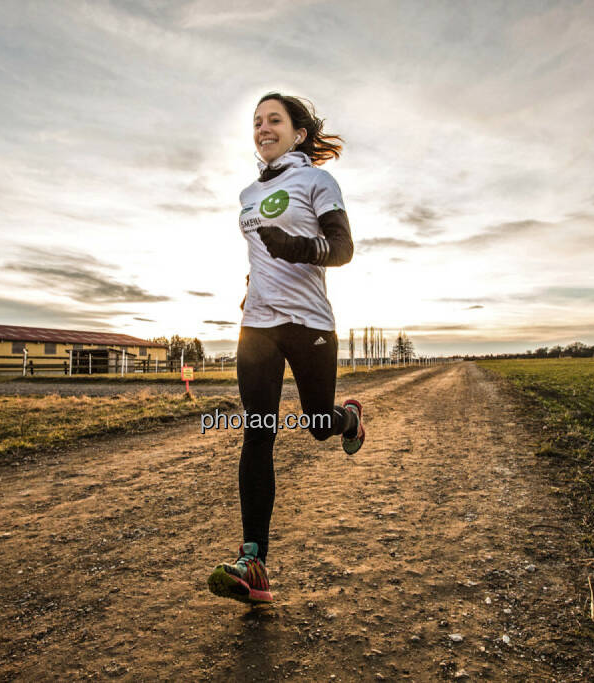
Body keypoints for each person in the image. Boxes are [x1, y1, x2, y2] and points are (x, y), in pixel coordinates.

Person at [207, 92, 365, 606]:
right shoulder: (247, 194)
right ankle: (253, 563)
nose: (262, 127)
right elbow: (261, 252)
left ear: (298, 133)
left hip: (310, 323)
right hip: (257, 327)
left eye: (273, 119)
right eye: (256, 121)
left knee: (319, 425)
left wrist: (295, 247)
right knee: (258, 432)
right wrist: (255, 283)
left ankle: (348, 420)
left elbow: (341, 249)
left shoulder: (319, 181)